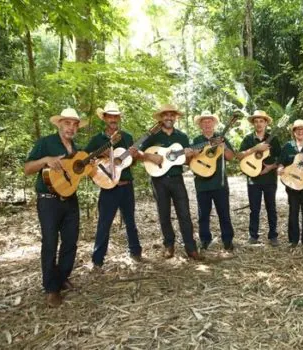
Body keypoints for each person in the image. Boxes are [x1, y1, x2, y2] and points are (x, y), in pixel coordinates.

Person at [24, 108, 87, 307]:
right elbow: (27, 169)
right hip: (48, 200)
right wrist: (45, 160)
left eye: (75, 124)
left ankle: (61, 278)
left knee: (70, 242)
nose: (71, 127)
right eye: (68, 123)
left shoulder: (75, 149)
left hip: (70, 200)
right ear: (59, 124)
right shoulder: (45, 142)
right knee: (50, 244)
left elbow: (76, 173)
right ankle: (51, 289)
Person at [130, 104, 202, 260]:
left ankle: (191, 248)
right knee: (164, 214)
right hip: (158, 180)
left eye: (172, 115)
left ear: (175, 117)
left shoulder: (182, 137)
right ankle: (169, 246)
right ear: (161, 118)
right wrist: (150, 157)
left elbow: (185, 161)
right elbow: (136, 152)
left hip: (177, 179)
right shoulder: (153, 135)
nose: (169, 118)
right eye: (166, 115)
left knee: (184, 214)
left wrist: (191, 155)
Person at [85, 102, 142, 270]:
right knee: (104, 223)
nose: (113, 119)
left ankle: (136, 251)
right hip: (108, 187)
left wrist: (134, 156)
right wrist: (103, 151)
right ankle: (97, 260)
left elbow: (130, 163)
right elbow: (86, 158)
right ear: (104, 118)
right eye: (110, 116)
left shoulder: (127, 137)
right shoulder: (97, 139)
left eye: (116, 116)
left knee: (130, 220)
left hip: (126, 185)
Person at [192, 111, 236, 252]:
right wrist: (198, 151)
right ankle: (205, 240)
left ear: (214, 124)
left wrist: (224, 147)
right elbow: (190, 158)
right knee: (203, 215)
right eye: (204, 122)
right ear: (200, 125)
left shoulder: (221, 138)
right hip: (202, 183)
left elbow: (230, 157)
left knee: (224, 213)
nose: (207, 124)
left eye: (209, 121)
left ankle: (227, 240)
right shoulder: (197, 140)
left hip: (220, 183)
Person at [237, 110, 280, 246]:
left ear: (266, 123)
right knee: (254, 209)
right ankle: (253, 236)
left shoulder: (273, 139)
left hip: (270, 179)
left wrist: (271, 167)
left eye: (261, 121)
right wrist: (255, 148)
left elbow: (280, 158)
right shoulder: (248, 139)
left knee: (271, 208)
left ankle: (273, 236)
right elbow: (239, 155)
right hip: (253, 179)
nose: (259, 124)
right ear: (253, 124)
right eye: (256, 121)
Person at [277, 119, 303, 249]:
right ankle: (293, 240)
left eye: (302, 129)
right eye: (297, 129)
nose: (300, 131)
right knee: (293, 211)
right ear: (294, 132)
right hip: (292, 182)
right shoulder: (288, 146)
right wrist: (280, 168)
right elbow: (281, 162)